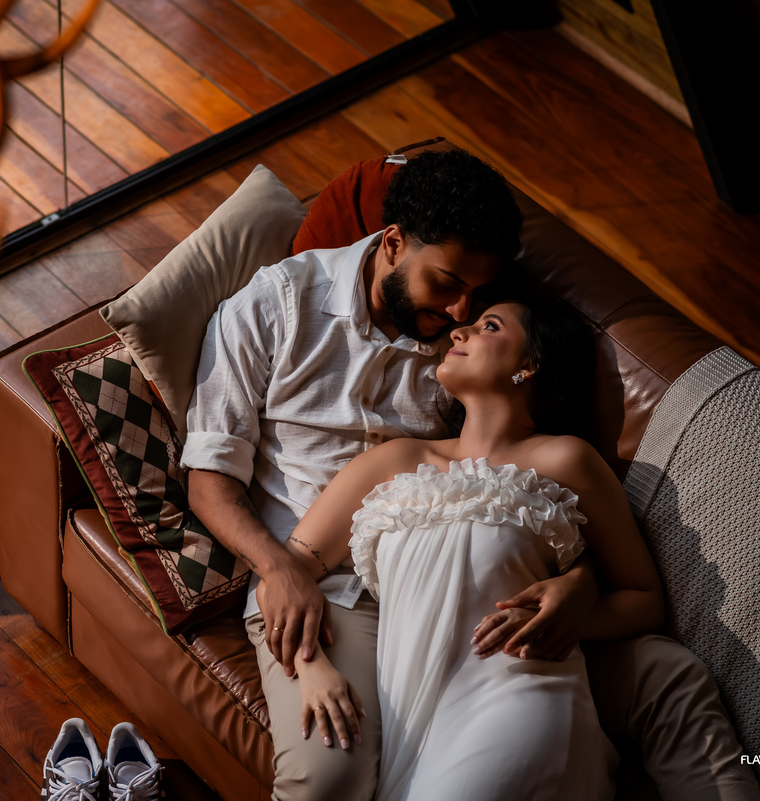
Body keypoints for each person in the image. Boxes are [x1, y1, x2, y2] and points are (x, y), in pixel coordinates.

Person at [182, 150, 600, 800]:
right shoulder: (275, 306)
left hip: (446, 583)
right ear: (393, 242)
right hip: (323, 590)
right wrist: (281, 570)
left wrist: (580, 580)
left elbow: (519, 476)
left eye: (477, 294)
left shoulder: (464, 350)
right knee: (334, 772)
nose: (462, 311)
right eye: (446, 282)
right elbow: (209, 482)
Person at [285, 292, 654, 801]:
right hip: (411, 725)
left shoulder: (567, 459)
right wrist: (310, 666)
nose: (457, 331)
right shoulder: (394, 461)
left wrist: (576, 612)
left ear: (530, 364)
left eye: (489, 326)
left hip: (522, 700)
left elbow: (644, 597)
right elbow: (288, 572)